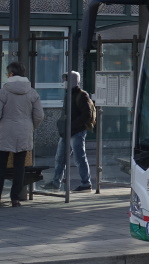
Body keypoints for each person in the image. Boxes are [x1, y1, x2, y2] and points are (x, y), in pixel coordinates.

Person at [0, 62, 45, 206]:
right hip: (24, 132)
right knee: (20, 166)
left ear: (11, 74)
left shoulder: (3, 91)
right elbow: (39, 115)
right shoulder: (32, 92)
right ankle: (15, 198)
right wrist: (30, 127)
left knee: (1, 165)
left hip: (4, 132)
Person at [42, 71, 95, 193]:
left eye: (66, 80)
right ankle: (56, 183)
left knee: (79, 158)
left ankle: (86, 183)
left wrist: (72, 125)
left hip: (77, 132)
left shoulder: (82, 95)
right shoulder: (68, 94)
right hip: (67, 131)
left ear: (73, 81)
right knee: (60, 158)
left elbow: (87, 115)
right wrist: (62, 126)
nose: (64, 83)